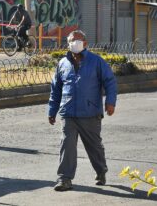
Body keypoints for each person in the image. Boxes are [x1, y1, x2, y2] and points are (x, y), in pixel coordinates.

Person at [48, 30, 117, 191]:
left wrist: (110, 102)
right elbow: (56, 89)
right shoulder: (63, 63)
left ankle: (101, 170)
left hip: (90, 113)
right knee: (67, 145)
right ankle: (64, 179)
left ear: (85, 43)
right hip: (68, 113)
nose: (74, 43)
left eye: (78, 40)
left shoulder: (96, 61)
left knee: (94, 146)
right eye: (71, 40)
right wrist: (52, 110)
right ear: (67, 43)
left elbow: (110, 82)